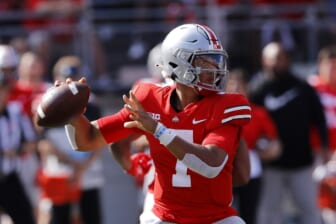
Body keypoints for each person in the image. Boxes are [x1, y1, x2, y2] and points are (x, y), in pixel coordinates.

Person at [58, 23, 252, 224]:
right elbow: (86, 140)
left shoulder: (227, 104)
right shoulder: (149, 99)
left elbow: (210, 165)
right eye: (207, 61)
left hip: (215, 217)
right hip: (165, 216)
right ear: (179, 63)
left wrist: (158, 131)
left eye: (217, 60)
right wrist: (72, 114)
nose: (216, 69)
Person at [249, 41, 329, 224]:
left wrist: (323, 147)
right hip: (271, 166)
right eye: (275, 59)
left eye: (283, 58)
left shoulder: (302, 87)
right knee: (269, 214)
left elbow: (320, 118)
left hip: (302, 164)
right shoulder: (259, 90)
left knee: (310, 211)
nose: (279, 62)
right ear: (264, 60)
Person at [37, 55, 104, 224]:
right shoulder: (47, 103)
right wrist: (73, 165)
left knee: (91, 217)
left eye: (74, 77)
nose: (70, 81)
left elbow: (101, 136)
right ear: (56, 78)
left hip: (88, 171)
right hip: (61, 172)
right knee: (59, 218)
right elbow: (44, 142)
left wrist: (82, 167)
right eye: (65, 76)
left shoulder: (92, 104)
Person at [226, 68, 282, 224]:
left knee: (249, 213)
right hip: (224, 166)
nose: (236, 89)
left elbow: (273, 140)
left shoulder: (258, 113)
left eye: (240, 86)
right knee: (222, 214)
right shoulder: (218, 110)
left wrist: (269, 149)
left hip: (251, 167)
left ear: (247, 88)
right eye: (232, 85)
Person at [0, 69, 37, 224]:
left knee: (26, 218)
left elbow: (32, 142)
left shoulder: (15, 113)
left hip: (9, 177)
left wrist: (16, 151)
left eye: (3, 89)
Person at [308, 45, 336, 224]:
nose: (332, 70)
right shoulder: (311, 87)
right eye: (329, 65)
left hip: (335, 153)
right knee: (312, 199)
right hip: (314, 152)